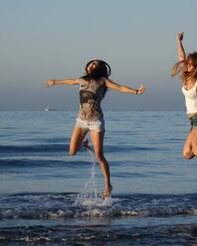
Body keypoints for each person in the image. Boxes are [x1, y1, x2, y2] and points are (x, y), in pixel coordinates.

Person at [45, 59, 145, 198]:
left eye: (95, 65)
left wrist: (135, 91)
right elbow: (70, 81)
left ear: (99, 69)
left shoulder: (102, 80)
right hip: (81, 120)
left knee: (99, 155)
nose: (91, 65)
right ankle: (85, 144)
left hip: (95, 122)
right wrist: (55, 82)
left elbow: (120, 87)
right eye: (90, 63)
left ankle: (107, 185)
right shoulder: (81, 80)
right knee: (72, 152)